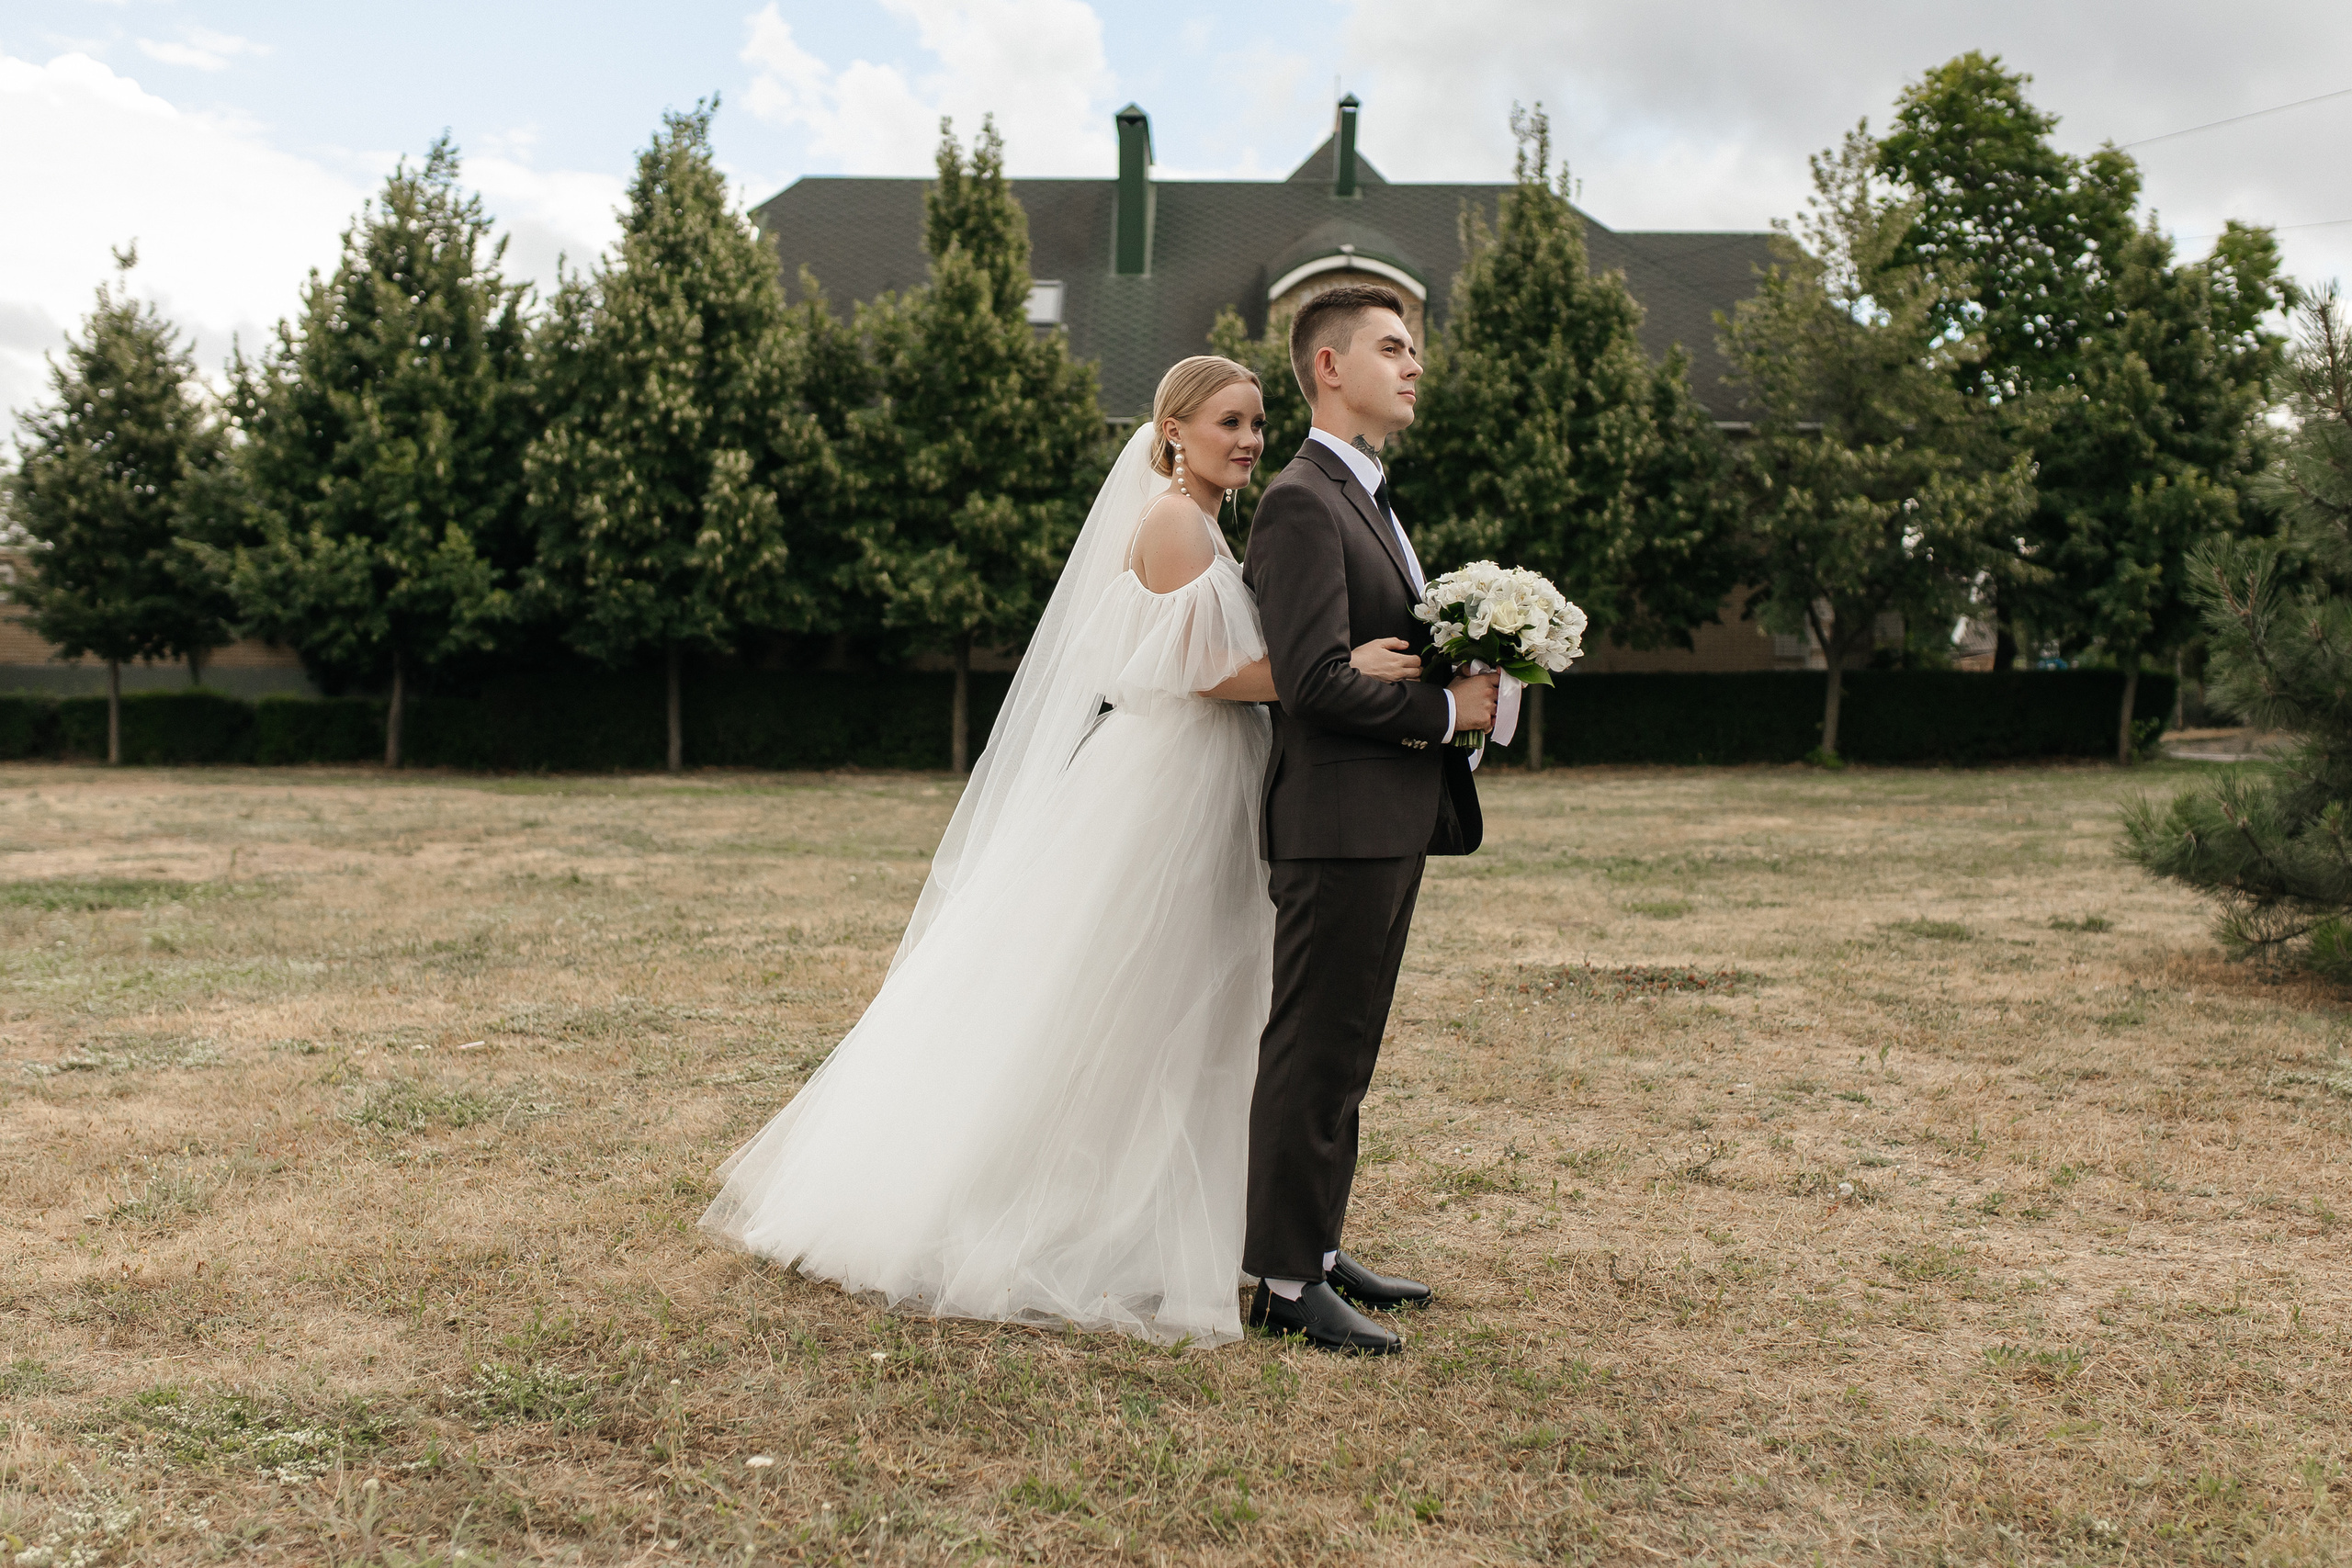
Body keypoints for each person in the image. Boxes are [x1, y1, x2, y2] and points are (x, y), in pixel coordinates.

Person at [699, 355, 1424, 1347]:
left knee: (1211, 999)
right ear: (1173, 431)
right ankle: (1087, 1213)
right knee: (1139, 996)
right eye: (1228, 422)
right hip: (1172, 780)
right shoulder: (1173, 523)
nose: (1250, 439)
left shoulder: (1206, 522)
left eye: (1257, 422)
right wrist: (1340, 670)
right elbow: (1204, 670)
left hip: (1211, 772)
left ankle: (1272, 1237)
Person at [1240, 282, 1498, 1354]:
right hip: (1335, 823)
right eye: (1392, 348)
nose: (1414, 364)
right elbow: (1308, 682)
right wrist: (1443, 712)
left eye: (1412, 348)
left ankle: (1317, 1245)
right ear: (1329, 367)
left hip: (1386, 819)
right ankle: (1281, 1283)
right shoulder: (1302, 500)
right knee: (1313, 1050)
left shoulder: (1368, 497)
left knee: (1347, 1050)